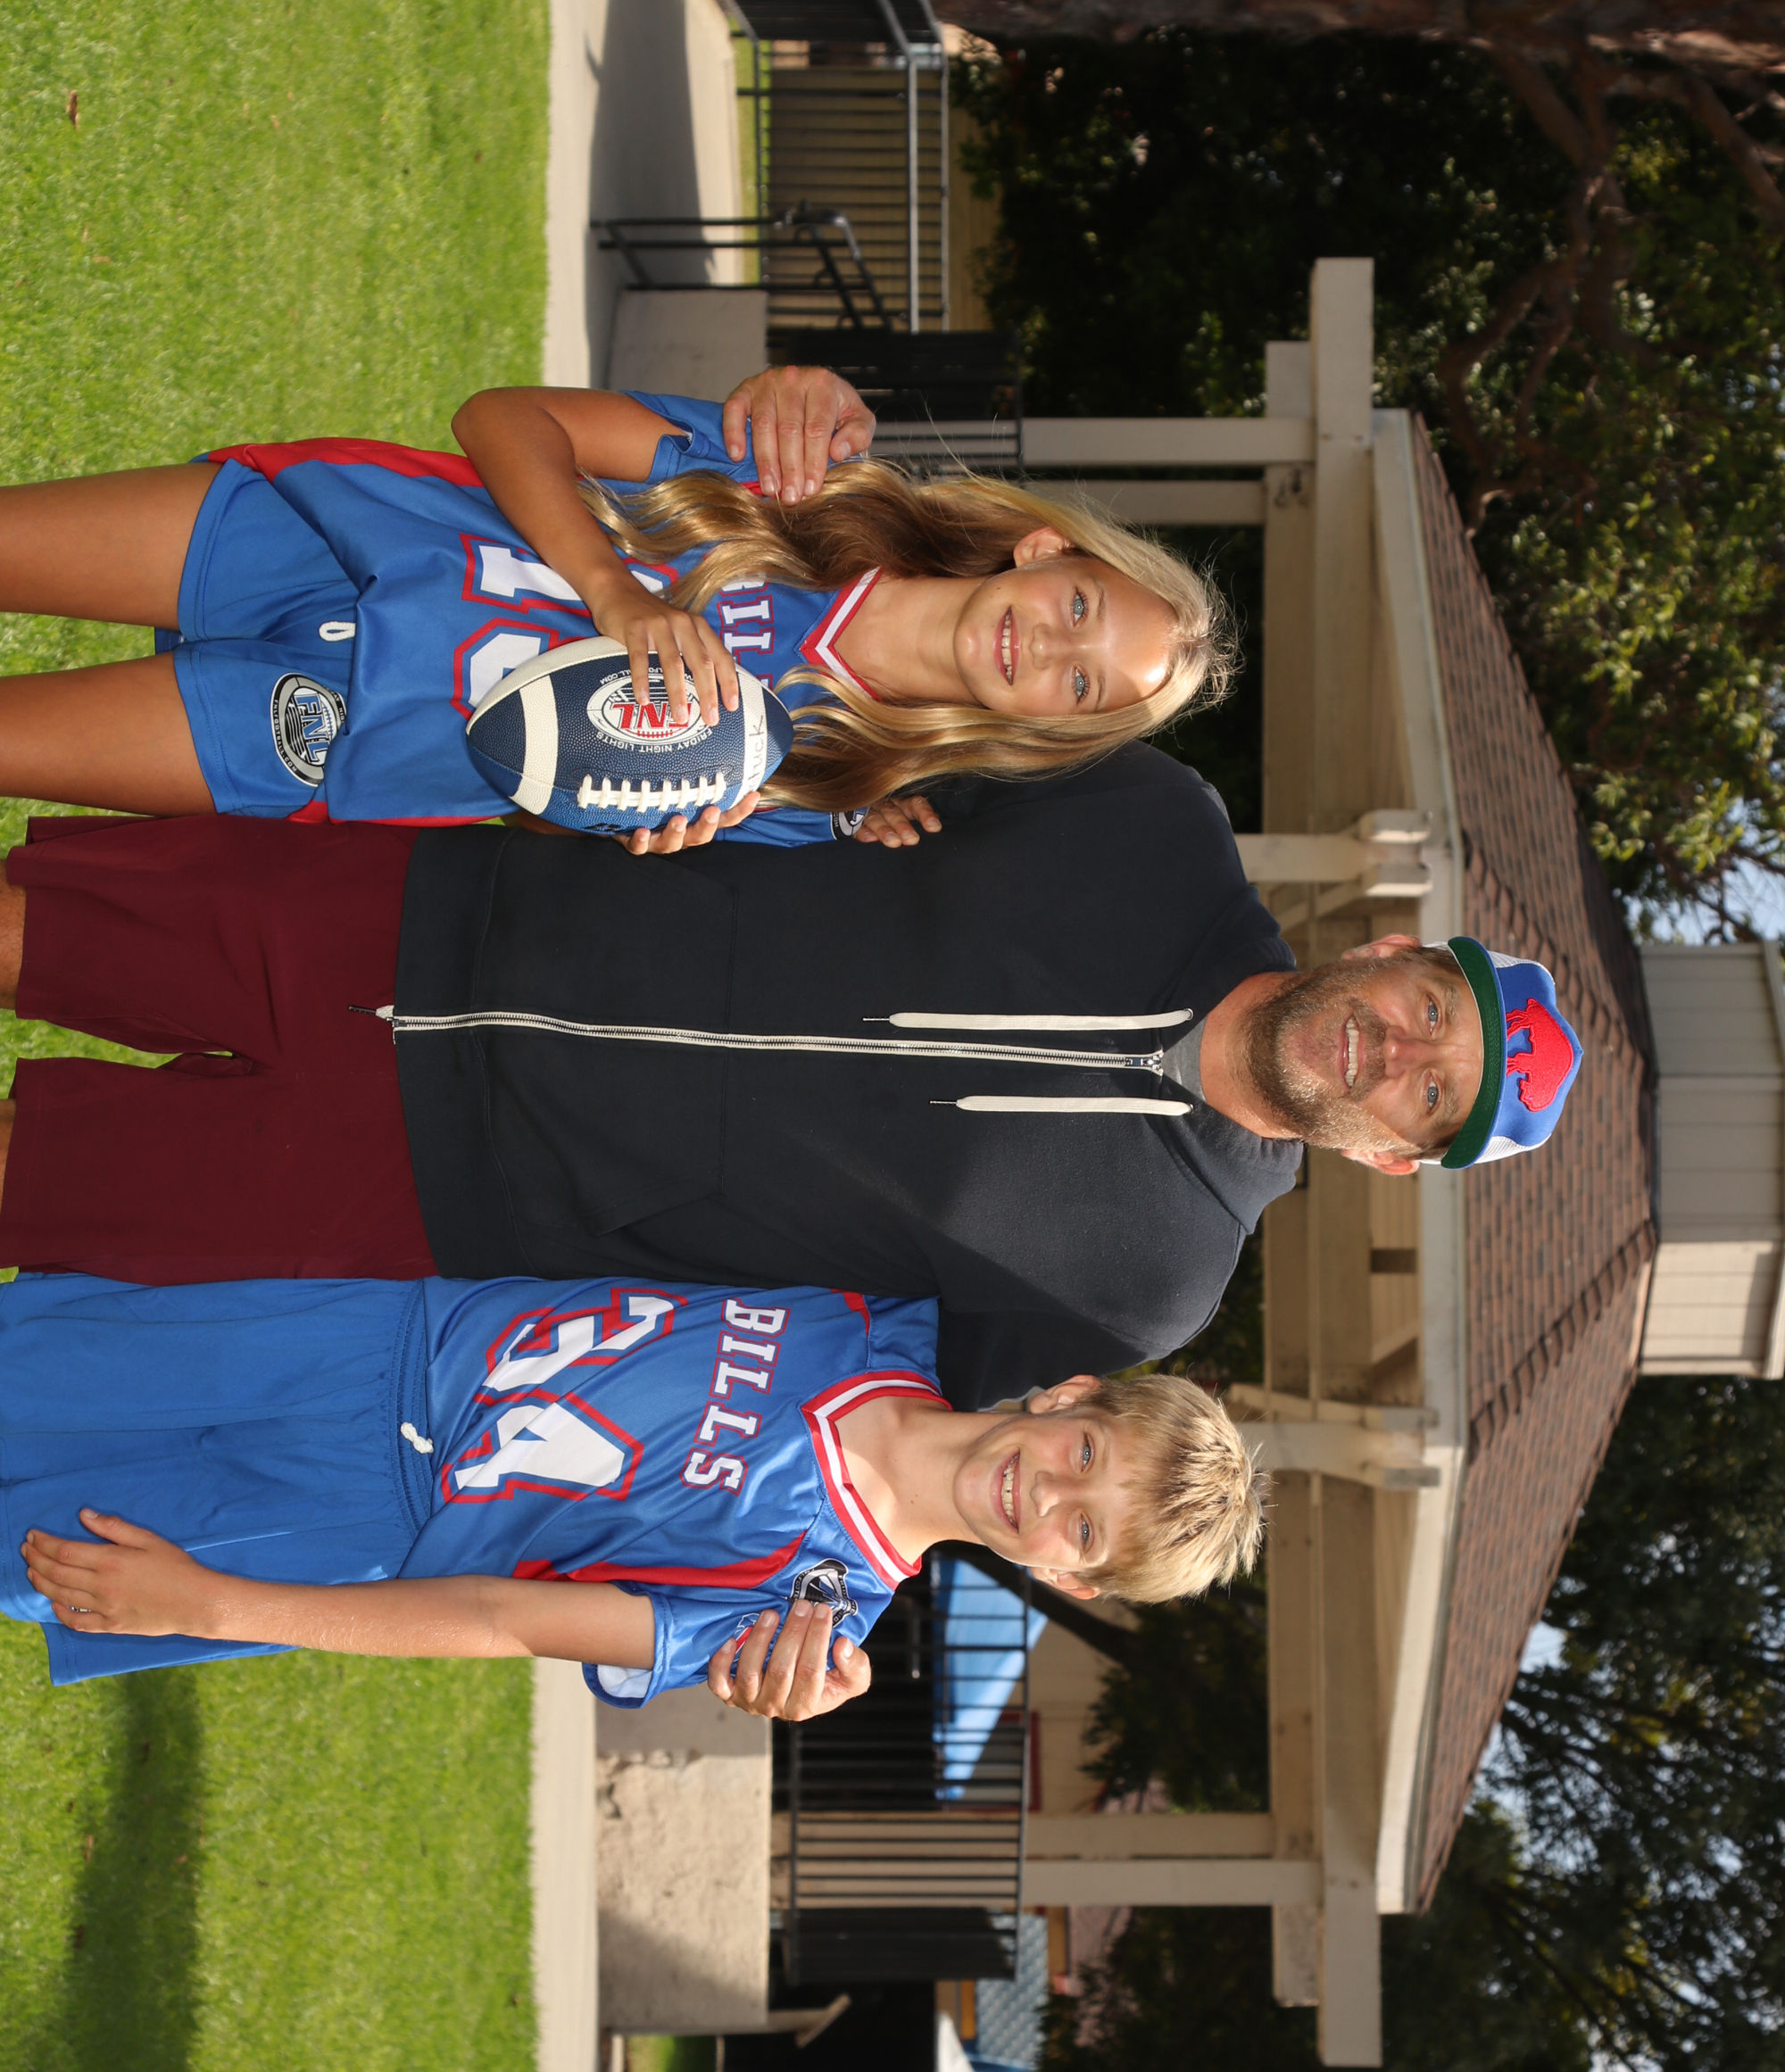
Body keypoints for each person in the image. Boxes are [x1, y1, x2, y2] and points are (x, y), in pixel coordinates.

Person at [0, 759, 1583, 1405]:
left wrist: (802, 1612)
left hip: (444, 1191)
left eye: (1429, 1098)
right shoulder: (1156, 822)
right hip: (458, 907)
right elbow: (856, 714)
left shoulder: (1145, 1292)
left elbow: (866, 1422)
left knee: (32, 1189)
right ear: (1393, 951)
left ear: (1393, 1158)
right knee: (34, 930)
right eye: (1426, 1009)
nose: (1397, 1054)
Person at [0, 374, 1226, 851]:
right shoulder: (806, 483)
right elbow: (499, 418)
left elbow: (537, 825)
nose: (1047, 644)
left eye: (1078, 681)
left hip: (342, 733)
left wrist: (619, 835)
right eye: (1078, 606)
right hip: (322, 536)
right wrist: (614, 591)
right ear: (1045, 548)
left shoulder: (824, 787)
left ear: (1051, 726)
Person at [2, 1272, 1262, 1722]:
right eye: (1085, 1451)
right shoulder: (889, 1312)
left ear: (1064, 1576)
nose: (1048, 1487)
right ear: (1070, 1396)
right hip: (362, 1335)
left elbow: (501, 1619)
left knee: (33, 1545)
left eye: (1082, 1526)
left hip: (356, 1519)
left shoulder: (802, 1620)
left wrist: (215, 1607)